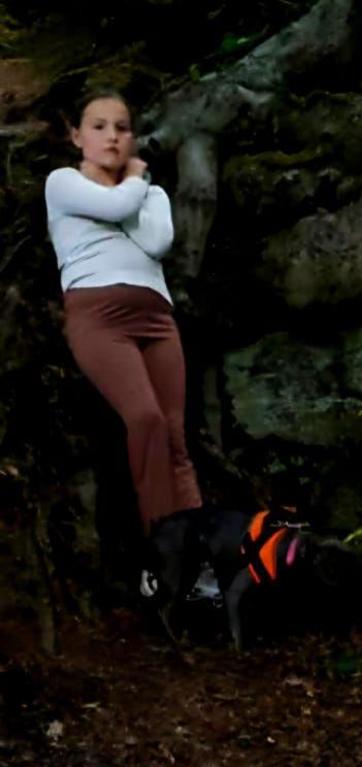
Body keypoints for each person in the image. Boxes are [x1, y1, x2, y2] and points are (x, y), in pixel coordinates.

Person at [45, 91, 202, 536]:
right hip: (98, 315)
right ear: (77, 135)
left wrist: (131, 190)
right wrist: (131, 182)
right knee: (145, 418)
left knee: (175, 439)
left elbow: (157, 243)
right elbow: (115, 208)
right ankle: (164, 542)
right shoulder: (63, 183)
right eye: (99, 126)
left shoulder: (151, 194)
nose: (112, 137)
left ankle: (198, 556)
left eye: (122, 127)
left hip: (156, 317)